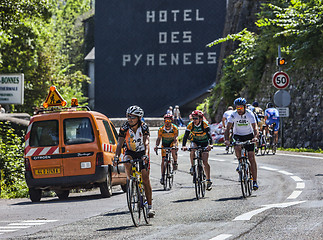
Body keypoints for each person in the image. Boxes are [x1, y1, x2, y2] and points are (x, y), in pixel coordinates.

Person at [113, 105, 155, 217]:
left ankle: (150, 206)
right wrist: (116, 157)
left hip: (142, 152)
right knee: (126, 161)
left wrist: (146, 155)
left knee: (145, 179)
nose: (130, 119)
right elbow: (119, 144)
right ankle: (131, 180)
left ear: (139, 118)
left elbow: (146, 142)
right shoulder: (124, 128)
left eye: (133, 117)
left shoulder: (144, 127)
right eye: (128, 116)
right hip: (130, 151)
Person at [224, 97, 259, 190]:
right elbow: (227, 129)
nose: (239, 110)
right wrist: (227, 139)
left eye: (241, 108)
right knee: (237, 147)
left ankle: (255, 181)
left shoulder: (250, 114)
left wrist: (255, 137)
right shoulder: (233, 115)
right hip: (238, 135)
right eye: (237, 108)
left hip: (249, 135)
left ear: (244, 107)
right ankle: (240, 162)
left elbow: (255, 128)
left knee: (251, 157)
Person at [181, 110, 213, 191]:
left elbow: (209, 136)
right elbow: (185, 136)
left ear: (201, 119)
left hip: (204, 142)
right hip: (195, 141)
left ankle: (208, 180)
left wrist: (210, 145)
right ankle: (192, 166)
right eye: (193, 118)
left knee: (205, 162)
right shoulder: (190, 125)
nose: (194, 120)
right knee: (192, 150)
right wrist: (184, 145)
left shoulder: (205, 124)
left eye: (196, 118)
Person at [154, 114, 179, 185]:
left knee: (173, 150)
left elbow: (176, 138)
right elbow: (159, 138)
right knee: (163, 160)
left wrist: (175, 146)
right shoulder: (161, 129)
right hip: (164, 144)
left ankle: (175, 162)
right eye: (165, 121)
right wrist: (156, 146)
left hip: (172, 143)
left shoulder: (175, 128)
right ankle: (162, 176)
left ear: (171, 121)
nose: (167, 122)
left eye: (169, 121)